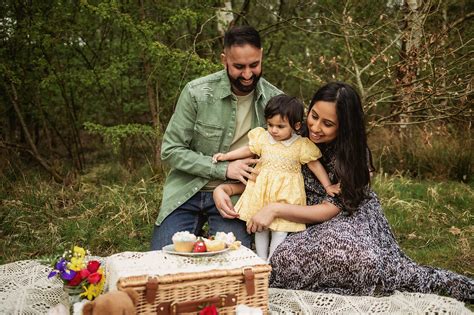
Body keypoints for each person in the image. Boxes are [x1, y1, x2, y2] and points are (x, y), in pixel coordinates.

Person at [213, 82, 473, 301]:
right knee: (277, 259)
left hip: (344, 216)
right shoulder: (292, 136)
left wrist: (275, 209)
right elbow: (268, 175)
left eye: (328, 124)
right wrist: (225, 189)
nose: (315, 127)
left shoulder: (353, 155)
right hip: (297, 215)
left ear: (344, 126)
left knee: (358, 258)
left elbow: (330, 209)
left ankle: (372, 277)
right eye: (314, 116)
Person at [150, 25, 282, 250]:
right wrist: (223, 169)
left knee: (230, 263)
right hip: (187, 191)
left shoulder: (275, 101)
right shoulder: (196, 93)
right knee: (163, 261)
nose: (248, 74)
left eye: (254, 65)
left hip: (237, 197)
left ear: (261, 56)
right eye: (239, 67)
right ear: (224, 60)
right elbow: (171, 150)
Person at [212, 94, 339, 260]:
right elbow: (248, 150)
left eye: (280, 126)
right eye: (270, 124)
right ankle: (261, 258)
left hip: (286, 193)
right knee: (260, 226)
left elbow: (315, 165)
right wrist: (227, 156)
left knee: (280, 228)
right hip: (262, 191)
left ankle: (273, 259)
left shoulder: (300, 145)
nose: (273, 130)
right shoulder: (263, 138)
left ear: (296, 126)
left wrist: (328, 185)